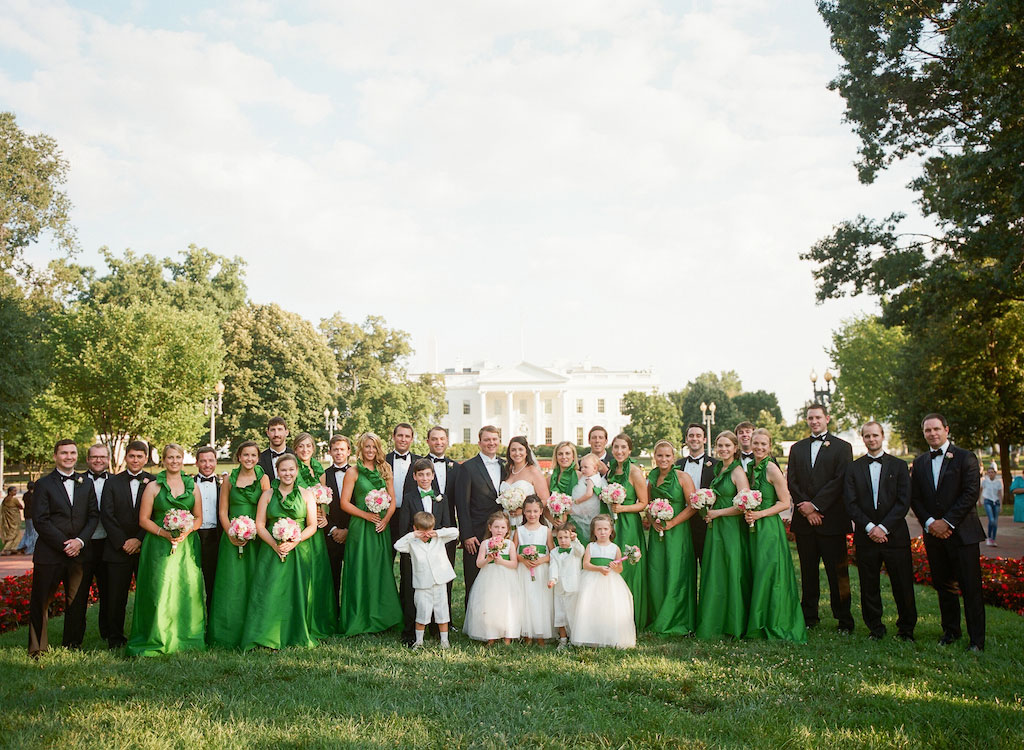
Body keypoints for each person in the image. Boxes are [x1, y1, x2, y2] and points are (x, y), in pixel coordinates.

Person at [910, 413, 985, 651]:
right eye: (927, 431)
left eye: (936, 429)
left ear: (946, 430)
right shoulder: (920, 462)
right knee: (944, 587)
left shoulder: (965, 457)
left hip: (963, 535)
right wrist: (931, 522)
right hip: (934, 535)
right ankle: (950, 631)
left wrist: (948, 523)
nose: (932, 434)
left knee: (970, 588)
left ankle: (976, 640)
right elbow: (916, 497)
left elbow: (970, 493)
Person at [127, 443, 206, 657]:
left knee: (186, 589)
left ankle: (186, 636)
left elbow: (198, 518)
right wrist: (164, 533)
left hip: (186, 545)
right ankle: (158, 635)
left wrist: (185, 531)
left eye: (178, 457)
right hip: (158, 544)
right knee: (159, 589)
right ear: (164, 460)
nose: (174, 461)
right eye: (170, 457)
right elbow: (143, 519)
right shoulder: (153, 487)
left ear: (183, 459)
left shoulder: (192, 486)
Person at [842, 422, 915, 642]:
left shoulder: (900, 466)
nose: (871, 439)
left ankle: (906, 630)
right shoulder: (853, 468)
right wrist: (869, 527)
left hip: (895, 536)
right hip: (866, 536)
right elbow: (850, 502)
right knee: (869, 584)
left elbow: (904, 501)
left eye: (875, 435)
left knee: (902, 585)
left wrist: (883, 527)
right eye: (867, 436)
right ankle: (875, 627)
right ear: (862, 438)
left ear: (883, 436)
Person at [786, 403, 855, 634]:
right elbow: (792, 481)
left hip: (831, 519)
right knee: (808, 572)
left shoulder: (843, 447)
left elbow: (839, 480)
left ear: (827, 418)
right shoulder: (797, 448)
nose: (814, 421)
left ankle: (844, 619)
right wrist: (805, 508)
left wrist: (816, 506)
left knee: (838, 574)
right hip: (805, 522)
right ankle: (809, 616)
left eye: (818, 417)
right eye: (810, 418)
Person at [240, 453, 320, 650]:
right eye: (283, 470)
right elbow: (260, 524)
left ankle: (294, 633)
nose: (287, 473)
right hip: (271, 550)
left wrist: (294, 541)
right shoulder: (267, 495)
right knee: (269, 591)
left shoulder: (307, 494)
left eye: (291, 469)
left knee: (296, 592)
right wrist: (275, 545)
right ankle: (266, 635)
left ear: (297, 470)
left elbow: (313, 525)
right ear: (277, 471)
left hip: (298, 551)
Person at [27, 439, 99, 657]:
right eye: (64, 453)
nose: (69, 456)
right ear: (55, 456)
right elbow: (40, 519)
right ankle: (37, 647)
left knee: (76, 600)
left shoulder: (85, 482)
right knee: (41, 600)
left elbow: (94, 515)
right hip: (50, 553)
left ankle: (73, 643)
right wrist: (64, 544)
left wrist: (80, 541)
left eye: (73, 453)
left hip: (79, 552)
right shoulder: (43, 484)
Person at [337, 433, 403, 637]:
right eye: (367, 447)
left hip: (380, 528)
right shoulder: (353, 472)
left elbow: (392, 500)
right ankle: (360, 618)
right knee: (360, 569)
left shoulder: (385, 470)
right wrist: (366, 515)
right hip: (360, 527)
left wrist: (385, 519)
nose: (371, 451)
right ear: (361, 448)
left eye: (374, 447)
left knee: (380, 569)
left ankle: (382, 617)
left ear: (379, 449)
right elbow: (344, 503)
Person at [744, 429, 806, 642]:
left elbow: (785, 502)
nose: (759, 447)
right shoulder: (750, 468)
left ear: (769, 446)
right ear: (751, 444)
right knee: (758, 571)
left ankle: (773, 620)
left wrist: (759, 513)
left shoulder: (771, 469)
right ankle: (757, 619)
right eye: (756, 443)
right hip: (753, 528)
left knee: (770, 572)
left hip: (769, 527)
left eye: (763, 444)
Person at [207, 441, 270, 649]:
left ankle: (255, 631)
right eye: (245, 455)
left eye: (253, 455)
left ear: (258, 457)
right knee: (231, 583)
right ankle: (226, 632)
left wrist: (255, 530)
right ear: (239, 457)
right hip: (232, 537)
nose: (249, 459)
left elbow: (268, 508)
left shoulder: (263, 479)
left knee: (255, 581)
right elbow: (223, 511)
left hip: (257, 537)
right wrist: (231, 533)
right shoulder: (228, 479)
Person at [695, 431, 752, 640]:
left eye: (727, 445)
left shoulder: (737, 471)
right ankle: (715, 620)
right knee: (716, 572)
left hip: (731, 528)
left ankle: (734, 622)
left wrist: (717, 512)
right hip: (716, 527)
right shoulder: (720, 469)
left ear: (735, 448)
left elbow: (744, 503)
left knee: (731, 571)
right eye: (720, 445)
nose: (723, 449)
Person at [101, 440, 154, 649]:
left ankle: (146, 633)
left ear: (146, 459)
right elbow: (107, 514)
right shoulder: (112, 482)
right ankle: (115, 637)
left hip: (145, 547)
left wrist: (139, 539)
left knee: (147, 594)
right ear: (126, 457)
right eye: (132, 456)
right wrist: (123, 541)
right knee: (116, 596)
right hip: (118, 549)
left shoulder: (154, 482)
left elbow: (156, 514)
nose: (135, 460)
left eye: (140, 456)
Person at [397, 458, 454, 646]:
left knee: (439, 594)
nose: (424, 478)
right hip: (415, 551)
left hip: (435, 551)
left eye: (427, 474)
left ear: (433, 475)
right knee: (411, 590)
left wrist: (435, 535)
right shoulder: (409, 497)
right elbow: (403, 525)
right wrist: (416, 536)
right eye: (420, 474)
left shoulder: (441, 497)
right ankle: (410, 632)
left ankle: (438, 630)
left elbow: (448, 523)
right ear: (414, 476)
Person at [645, 440, 697, 636]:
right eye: (660, 455)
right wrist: (653, 520)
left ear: (673, 458)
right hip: (658, 533)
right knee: (657, 571)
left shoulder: (683, 477)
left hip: (678, 532)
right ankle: (658, 614)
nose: (663, 459)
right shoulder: (652, 478)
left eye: (667, 456)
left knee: (676, 571)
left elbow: (693, 506)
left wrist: (673, 523)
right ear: (654, 457)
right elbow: (648, 505)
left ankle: (676, 618)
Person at [601, 433, 648, 629]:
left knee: (628, 567)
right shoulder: (611, 471)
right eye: (616, 448)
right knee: (611, 567)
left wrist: (623, 508)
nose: (619, 451)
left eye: (623, 448)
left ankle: (632, 617)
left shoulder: (635, 472)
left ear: (630, 450)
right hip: (612, 524)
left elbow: (644, 503)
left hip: (629, 524)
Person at [453, 426, 504, 603]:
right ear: (479, 442)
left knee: (499, 575)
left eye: (494, 439)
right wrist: (467, 534)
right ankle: (472, 618)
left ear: (499, 441)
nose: (491, 443)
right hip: (476, 532)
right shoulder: (467, 468)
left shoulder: (504, 465)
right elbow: (462, 503)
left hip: (502, 531)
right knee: (474, 575)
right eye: (487, 439)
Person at [393, 511, 459, 649]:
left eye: (428, 531)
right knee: (422, 612)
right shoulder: (412, 542)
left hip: (439, 581)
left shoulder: (438, 538)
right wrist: (412, 535)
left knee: (442, 612)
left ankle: (444, 640)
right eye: (422, 531)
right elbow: (397, 546)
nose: (425, 535)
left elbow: (455, 532)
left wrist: (437, 533)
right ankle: (419, 641)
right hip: (422, 584)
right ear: (415, 529)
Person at [292, 432, 336, 637]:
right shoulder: (292, 467)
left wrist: (324, 516)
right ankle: (300, 618)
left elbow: (324, 495)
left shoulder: (319, 468)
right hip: (300, 523)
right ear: (295, 448)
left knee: (318, 570)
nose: (305, 450)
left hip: (317, 526)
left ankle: (318, 618)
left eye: (308, 446)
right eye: (301, 446)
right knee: (302, 568)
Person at [571, 514, 636, 649]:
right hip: (591, 580)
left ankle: (610, 637)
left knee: (609, 608)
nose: (602, 532)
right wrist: (598, 568)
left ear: (611, 530)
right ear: (594, 531)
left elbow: (620, 569)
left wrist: (615, 567)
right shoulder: (590, 546)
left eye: (606, 529)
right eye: (599, 529)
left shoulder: (615, 548)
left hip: (611, 582)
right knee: (591, 606)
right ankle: (590, 636)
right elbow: (586, 565)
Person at [463, 511, 521, 644]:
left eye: (502, 527)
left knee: (506, 604)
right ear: (490, 528)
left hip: (506, 579)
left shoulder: (509, 544)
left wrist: (501, 561)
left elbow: (514, 564)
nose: (499, 530)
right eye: (496, 527)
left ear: (507, 529)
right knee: (490, 604)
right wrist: (488, 559)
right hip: (489, 578)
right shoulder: (485, 543)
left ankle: (507, 635)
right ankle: (491, 635)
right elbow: (478, 564)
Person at [675, 423, 719, 571]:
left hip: (706, 522)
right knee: (684, 566)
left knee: (707, 565)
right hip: (683, 521)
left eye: (698, 436)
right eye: (691, 436)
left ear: (705, 439)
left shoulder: (716, 465)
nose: (695, 439)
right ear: (686, 440)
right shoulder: (677, 465)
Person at [515, 495, 554, 645]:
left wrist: (542, 560)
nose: (532, 515)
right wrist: (523, 559)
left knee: (540, 600)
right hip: (524, 570)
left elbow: (553, 552)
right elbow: (514, 551)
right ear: (523, 512)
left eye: (535, 511)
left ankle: (540, 633)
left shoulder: (546, 530)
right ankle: (527, 633)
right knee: (526, 599)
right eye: (528, 511)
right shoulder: (520, 530)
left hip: (541, 569)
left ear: (541, 511)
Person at [83, 444, 112, 642]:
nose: (98, 460)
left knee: (109, 591)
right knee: (79, 593)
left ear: (108, 459)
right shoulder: (78, 481)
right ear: (87, 459)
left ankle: (109, 633)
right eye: (94, 457)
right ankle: (75, 637)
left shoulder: (117, 481)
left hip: (109, 543)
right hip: (83, 543)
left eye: (102, 457)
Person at [322, 435, 353, 603]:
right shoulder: (324, 476)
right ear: (329, 452)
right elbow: (319, 507)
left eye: (342, 449)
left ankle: (351, 613)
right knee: (332, 575)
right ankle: (333, 612)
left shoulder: (357, 474)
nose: (339, 453)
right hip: (331, 533)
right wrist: (333, 530)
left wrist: (349, 530)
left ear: (348, 451)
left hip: (353, 532)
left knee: (352, 576)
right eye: (335, 449)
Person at [193, 446, 222, 614]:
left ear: (216, 462)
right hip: (193, 536)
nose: (207, 464)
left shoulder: (223, 485)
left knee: (213, 582)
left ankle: (212, 621)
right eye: (203, 461)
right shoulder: (188, 485)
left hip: (214, 538)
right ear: (197, 462)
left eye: (211, 460)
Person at [547, 523, 584, 650]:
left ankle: (574, 637)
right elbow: (553, 566)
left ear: (571, 537)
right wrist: (552, 579)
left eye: (566, 537)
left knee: (573, 614)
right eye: (560, 538)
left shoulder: (575, 550)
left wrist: (575, 540)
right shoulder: (554, 552)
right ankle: (562, 640)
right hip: (559, 588)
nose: (563, 541)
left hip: (574, 587)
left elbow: (581, 551)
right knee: (560, 614)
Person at [386, 423, 420, 560]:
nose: (403, 439)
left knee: (409, 561)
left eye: (407, 436)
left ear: (412, 439)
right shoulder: (383, 460)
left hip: (412, 517)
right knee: (386, 557)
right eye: (400, 435)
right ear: (394, 437)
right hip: (388, 516)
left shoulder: (420, 461)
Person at [500, 435, 550, 530]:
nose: (517, 453)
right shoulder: (507, 471)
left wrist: (524, 510)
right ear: (509, 453)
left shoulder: (533, 471)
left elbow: (545, 500)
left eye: (520, 449)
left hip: (527, 521)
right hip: (506, 521)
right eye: (513, 450)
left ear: (526, 452)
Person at [570, 454, 605, 543]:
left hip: (588, 504)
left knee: (576, 518)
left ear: (595, 468)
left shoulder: (590, 480)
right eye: (581, 467)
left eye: (586, 467)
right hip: (592, 505)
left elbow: (589, 494)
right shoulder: (596, 476)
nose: (582, 470)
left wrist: (577, 501)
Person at [980, 466, 1002, 547]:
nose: (991, 474)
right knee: (991, 520)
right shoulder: (985, 481)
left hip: (996, 502)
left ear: (995, 473)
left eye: (992, 472)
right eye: (989, 472)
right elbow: (981, 490)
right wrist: (979, 500)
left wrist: (1001, 504)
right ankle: (988, 537)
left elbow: (999, 494)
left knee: (995, 522)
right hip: (987, 501)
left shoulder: (998, 482)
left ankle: (993, 539)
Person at [15, 481, 36, 555]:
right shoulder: (34, 495)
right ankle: (29, 548)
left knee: (28, 531)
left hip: (27, 515)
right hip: (33, 515)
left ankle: (22, 546)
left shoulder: (25, 495)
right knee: (32, 533)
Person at [0, 486, 23, 555]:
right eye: (14, 491)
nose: (15, 492)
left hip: (8, 520)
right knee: (14, 534)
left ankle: (14, 548)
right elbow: (20, 506)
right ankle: (6, 549)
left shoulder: (5, 499)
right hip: (13, 520)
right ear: (10, 492)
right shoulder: (14, 499)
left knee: (12, 533)